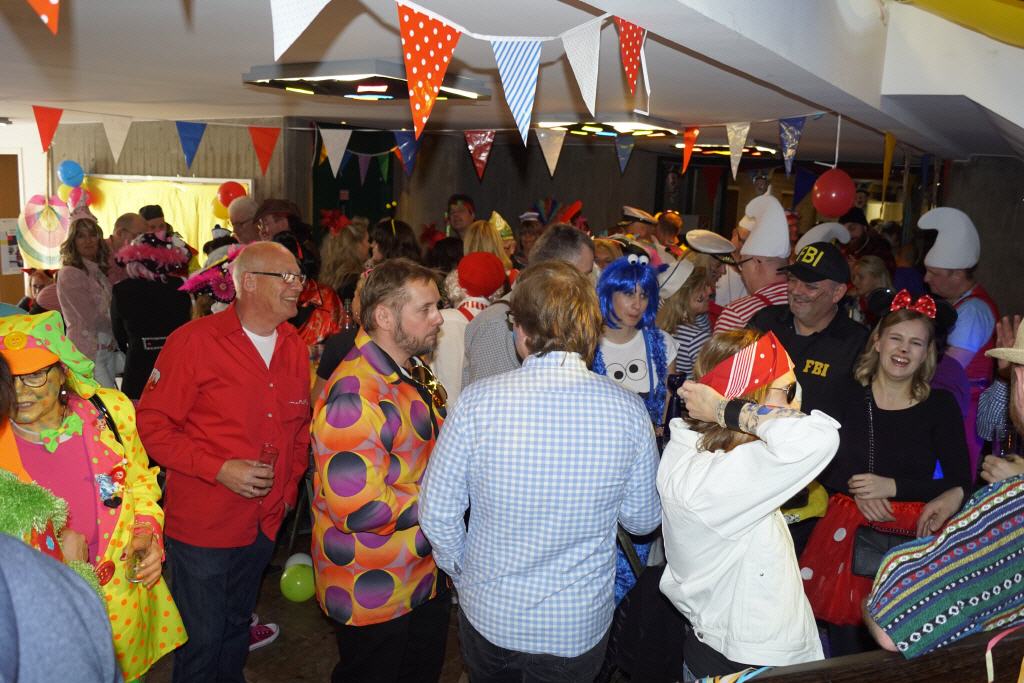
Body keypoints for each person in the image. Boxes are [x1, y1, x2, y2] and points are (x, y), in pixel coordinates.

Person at [420, 260, 660, 683]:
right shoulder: (627, 410)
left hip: (491, 613)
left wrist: (463, 570)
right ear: (590, 330)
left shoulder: (478, 403)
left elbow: (438, 511)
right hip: (575, 624)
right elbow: (642, 521)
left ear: (523, 331)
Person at [137, 241, 312, 682]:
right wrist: (218, 468)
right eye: (286, 277)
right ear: (248, 282)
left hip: (264, 521)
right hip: (204, 526)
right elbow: (152, 426)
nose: (298, 286)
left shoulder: (294, 346)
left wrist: (287, 494)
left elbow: (298, 430)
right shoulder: (194, 342)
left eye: (299, 277)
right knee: (202, 642)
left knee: (236, 631)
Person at [0, 311, 186, 681]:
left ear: (63, 370)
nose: (20, 392)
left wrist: (147, 533)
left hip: (123, 605)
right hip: (48, 615)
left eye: (34, 375)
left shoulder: (110, 412)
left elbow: (140, 481)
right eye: (8, 380)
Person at [800, 291, 972, 656]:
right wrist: (858, 489)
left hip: (913, 537)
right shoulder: (844, 394)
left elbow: (960, 481)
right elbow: (816, 461)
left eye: (916, 343)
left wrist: (893, 487)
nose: (904, 349)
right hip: (847, 532)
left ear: (927, 353)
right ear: (877, 341)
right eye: (896, 337)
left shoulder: (939, 406)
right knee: (848, 651)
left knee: (906, 648)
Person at [661, 329, 839, 677]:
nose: (798, 404)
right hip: (746, 663)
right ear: (747, 399)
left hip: (725, 648)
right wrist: (724, 408)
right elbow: (818, 438)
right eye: (789, 391)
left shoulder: (697, 450)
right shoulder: (714, 480)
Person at [310, 258, 449, 683]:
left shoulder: (411, 367)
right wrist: (448, 497)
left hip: (419, 573)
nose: (439, 318)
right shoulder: (355, 395)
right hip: (373, 588)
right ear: (385, 317)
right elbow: (360, 508)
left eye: (437, 306)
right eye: (425, 309)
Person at [462, 223, 594, 390]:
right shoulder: (497, 324)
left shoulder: (553, 314)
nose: (589, 284)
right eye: (584, 276)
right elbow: (489, 398)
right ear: (556, 272)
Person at [920, 206, 998, 476]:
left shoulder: (973, 311)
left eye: (934, 273)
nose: (926, 279)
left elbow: (950, 367)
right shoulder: (960, 304)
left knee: (946, 477)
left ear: (957, 273)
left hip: (962, 410)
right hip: (954, 405)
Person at [750, 242, 868, 417]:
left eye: (810, 286)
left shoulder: (857, 343)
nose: (796, 290)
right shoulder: (765, 322)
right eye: (792, 280)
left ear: (837, 293)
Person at [110, 231, 192, 399]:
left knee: (140, 410)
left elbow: (119, 333)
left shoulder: (122, 289)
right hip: (175, 362)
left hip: (139, 364)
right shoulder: (180, 286)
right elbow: (187, 323)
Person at [432, 252, 506, 404]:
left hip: (443, 413)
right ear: (498, 288)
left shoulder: (439, 321)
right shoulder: (506, 325)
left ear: (455, 282)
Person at [56, 214, 119, 388]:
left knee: (112, 397)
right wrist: (118, 330)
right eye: (81, 236)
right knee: (108, 399)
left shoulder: (98, 272)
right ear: (72, 241)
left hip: (106, 349)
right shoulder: (70, 273)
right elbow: (91, 317)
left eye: (92, 234)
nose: (88, 240)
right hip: (88, 352)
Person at [714, 194, 791, 333]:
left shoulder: (736, 315)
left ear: (756, 262)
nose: (742, 271)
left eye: (743, 263)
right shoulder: (810, 306)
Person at [656, 254, 715, 380]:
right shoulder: (697, 337)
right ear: (686, 295)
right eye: (703, 287)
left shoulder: (658, 322)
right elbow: (710, 380)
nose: (710, 291)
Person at [319, 216, 370, 304]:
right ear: (356, 245)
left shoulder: (331, 276)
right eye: (367, 240)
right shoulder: (354, 282)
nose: (370, 245)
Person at [105, 213, 151, 285]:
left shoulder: (141, 256)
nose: (143, 243)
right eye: (138, 236)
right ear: (119, 233)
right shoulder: (97, 251)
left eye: (145, 238)